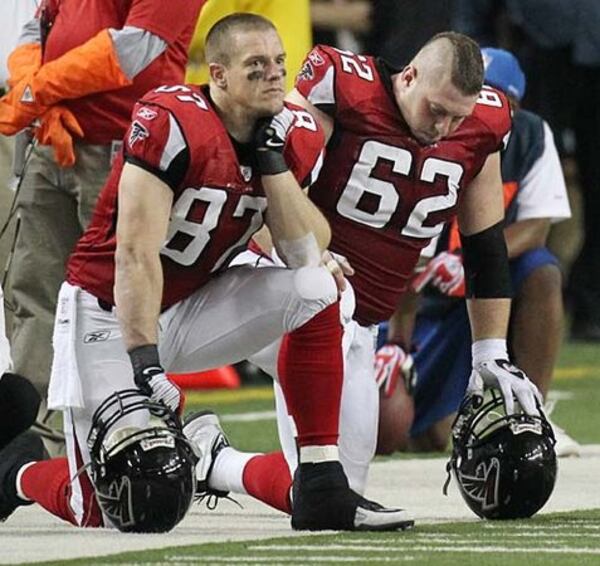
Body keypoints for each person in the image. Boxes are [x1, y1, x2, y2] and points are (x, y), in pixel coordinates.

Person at [0, 14, 408, 532]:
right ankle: (16, 469)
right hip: (110, 316)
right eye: (255, 66)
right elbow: (135, 253)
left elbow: (306, 248)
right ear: (217, 75)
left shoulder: (294, 130)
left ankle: (323, 477)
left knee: (319, 287)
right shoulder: (171, 120)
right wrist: (146, 363)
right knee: (109, 506)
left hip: (193, 304)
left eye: (279, 63)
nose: (274, 77)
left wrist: (272, 162)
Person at [188, 32, 543, 514]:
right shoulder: (344, 89)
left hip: (360, 323)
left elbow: (484, 246)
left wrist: (491, 353)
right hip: (285, 288)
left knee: (334, 490)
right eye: (436, 109)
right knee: (328, 316)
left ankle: (213, 462)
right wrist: (304, 256)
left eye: (457, 116)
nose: (443, 127)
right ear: (410, 75)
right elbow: (269, 176)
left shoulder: (485, 123)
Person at [0, 0, 207, 428]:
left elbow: (132, 51)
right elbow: (37, 29)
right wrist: (29, 85)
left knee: (118, 297)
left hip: (127, 151)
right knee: (31, 289)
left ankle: (125, 429)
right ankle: (31, 441)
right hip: (54, 140)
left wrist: (36, 90)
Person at [375, 47, 578, 456]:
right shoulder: (425, 127)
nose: (469, 118)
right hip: (407, 302)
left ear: (514, 107)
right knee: (393, 428)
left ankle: (531, 411)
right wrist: (397, 340)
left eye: (491, 101)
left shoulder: (530, 135)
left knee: (542, 270)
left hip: (474, 303)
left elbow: (537, 228)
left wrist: (472, 262)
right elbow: (401, 248)